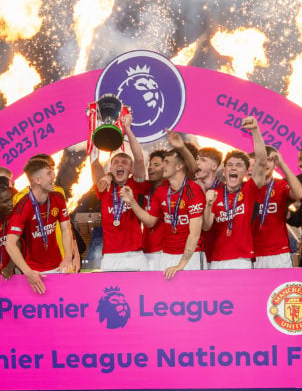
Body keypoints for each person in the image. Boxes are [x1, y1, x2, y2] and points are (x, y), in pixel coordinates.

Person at [121, 147, 206, 277]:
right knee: (164, 296)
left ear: (179, 166)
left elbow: (194, 234)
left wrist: (181, 265)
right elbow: (149, 222)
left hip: (190, 256)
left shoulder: (194, 191)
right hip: (166, 255)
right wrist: (132, 202)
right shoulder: (161, 191)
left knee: (192, 296)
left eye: (166, 162)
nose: (162, 166)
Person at [243, 117, 302, 268]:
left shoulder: (280, 185)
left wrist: (283, 164)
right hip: (251, 252)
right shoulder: (245, 187)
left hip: (279, 252)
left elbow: (299, 195)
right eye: (262, 161)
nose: (266, 164)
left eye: (271, 160)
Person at [5, 157, 75, 294]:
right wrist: (27, 271)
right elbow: (10, 243)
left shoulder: (58, 198)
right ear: (37, 180)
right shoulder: (23, 206)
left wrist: (67, 257)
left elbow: (66, 229)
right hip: (33, 271)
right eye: (49, 174)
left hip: (58, 267)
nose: (54, 176)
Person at [91, 114, 149, 272]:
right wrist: (95, 127)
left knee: (144, 295)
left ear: (130, 170)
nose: (119, 165)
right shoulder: (104, 185)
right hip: (110, 257)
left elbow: (138, 159)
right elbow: (93, 160)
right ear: (110, 169)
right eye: (115, 162)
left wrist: (128, 129)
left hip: (136, 255)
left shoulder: (135, 184)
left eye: (124, 162)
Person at [203, 150, 256, 269]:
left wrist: (255, 132)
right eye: (230, 165)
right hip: (217, 259)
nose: (233, 168)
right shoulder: (214, 194)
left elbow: (262, 164)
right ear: (224, 170)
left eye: (239, 165)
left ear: (247, 171)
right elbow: (206, 226)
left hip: (242, 259)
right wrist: (208, 205)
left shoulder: (249, 190)